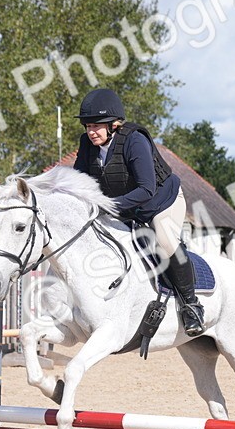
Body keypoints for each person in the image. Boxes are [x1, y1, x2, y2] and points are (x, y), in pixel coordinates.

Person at [72, 87, 204, 336]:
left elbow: (146, 189)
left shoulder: (134, 141)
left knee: (164, 240)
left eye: (96, 126)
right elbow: (78, 179)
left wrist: (108, 206)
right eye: (87, 126)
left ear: (113, 124)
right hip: (125, 208)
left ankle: (191, 305)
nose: (91, 132)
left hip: (162, 202)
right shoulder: (86, 144)